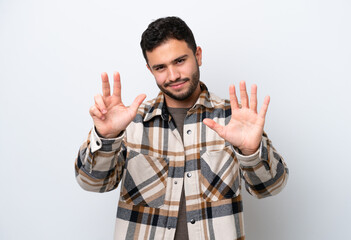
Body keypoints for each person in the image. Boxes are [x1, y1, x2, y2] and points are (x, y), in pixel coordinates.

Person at [75, 16, 288, 240]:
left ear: (198, 55)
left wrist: (251, 152)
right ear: (150, 70)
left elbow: (270, 187)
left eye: (179, 61)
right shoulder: (130, 123)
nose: (173, 76)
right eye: (160, 67)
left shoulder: (233, 119)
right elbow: (92, 183)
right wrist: (106, 138)